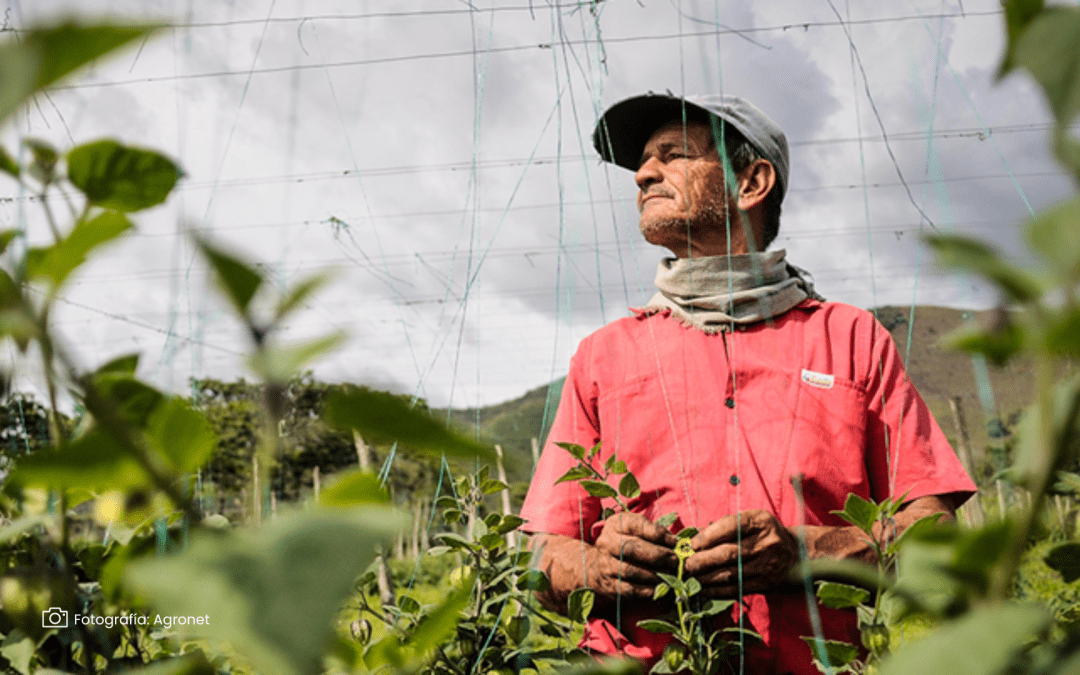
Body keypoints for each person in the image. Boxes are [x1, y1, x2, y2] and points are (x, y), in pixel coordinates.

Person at [518, 93, 977, 675]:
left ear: (752, 181)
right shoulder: (604, 355)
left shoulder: (850, 338)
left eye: (674, 155)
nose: (642, 173)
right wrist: (591, 568)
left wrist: (804, 551)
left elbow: (934, 535)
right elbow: (539, 551)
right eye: (641, 161)